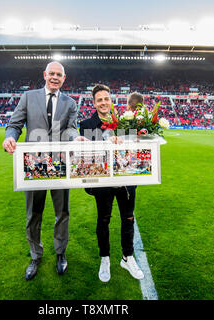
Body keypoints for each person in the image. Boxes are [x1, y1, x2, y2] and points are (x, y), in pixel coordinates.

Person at [2, 61, 86, 281]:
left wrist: (74, 137)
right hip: (33, 166)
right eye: (52, 74)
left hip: (60, 165)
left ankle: (60, 253)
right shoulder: (28, 97)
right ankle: (35, 256)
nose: (55, 77)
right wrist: (10, 137)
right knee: (33, 214)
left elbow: (70, 128)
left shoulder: (70, 102)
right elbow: (15, 124)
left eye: (59, 74)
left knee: (62, 213)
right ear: (45, 75)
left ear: (64, 78)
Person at [79, 84, 144, 282]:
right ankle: (105, 258)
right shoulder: (86, 124)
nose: (103, 102)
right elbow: (88, 157)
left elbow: (136, 149)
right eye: (99, 100)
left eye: (106, 98)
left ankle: (127, 257)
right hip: (103, 182)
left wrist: (132, 139)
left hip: (126, 180)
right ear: (94, 103)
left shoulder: (125, 121)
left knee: (128, 218)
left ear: (111, 99)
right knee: (104, 220)